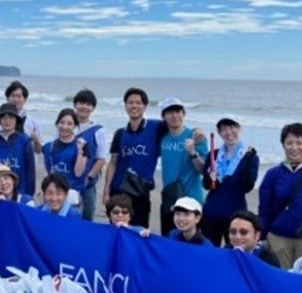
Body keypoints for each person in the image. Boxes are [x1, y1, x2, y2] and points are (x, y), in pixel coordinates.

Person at [259, 122, 302, 267]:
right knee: (279, 280)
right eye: (289, 143)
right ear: (283, 145)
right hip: (278, 237)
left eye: (299, 143)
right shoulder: (273, 174)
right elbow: (264, 209)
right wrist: (262, 236)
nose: (294, 148)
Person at [105, 88, 160, 228]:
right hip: (118, 190)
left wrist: (197, 134)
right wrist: (106, 191)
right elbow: (113, 163)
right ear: (125, 106)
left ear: (145, 106)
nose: (134, 106)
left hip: (140, 192)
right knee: (116, 232)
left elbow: (176, 127)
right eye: (130, 102)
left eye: (138, 102)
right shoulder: (120, 133)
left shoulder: (156, 127)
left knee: (139, 233)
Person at [154, 98, 210, 236]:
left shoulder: (196, 137)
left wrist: (193, 153)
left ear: (183, 114)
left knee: (193, 245)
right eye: (170, 112)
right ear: (164, 117)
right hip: (170, 199)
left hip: (192, 199)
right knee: (169, 241)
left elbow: (203, 170)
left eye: (178, 111)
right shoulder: (162, 138)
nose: (174, 116)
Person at [202, 115, 260, 246]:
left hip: (236, 215)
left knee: (235, 253)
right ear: (219, 133)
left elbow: (247, 187)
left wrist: (247, 160)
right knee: (210, 252)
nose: (228, 132)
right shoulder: (213, 154)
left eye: (232, 127)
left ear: (239, 129)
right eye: (223, 129)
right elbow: (206, 185)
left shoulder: (250, 156)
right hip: (212, 212)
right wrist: (210, 178)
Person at [41, 108, 98, 215]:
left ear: (75, 126)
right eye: (62, 123)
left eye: (69, 124)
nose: (65, 127)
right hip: (54, 195)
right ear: (57, 124)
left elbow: (78, 173)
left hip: (72, 195)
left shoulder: (82, 146)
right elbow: (49, 173)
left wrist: (81, 152)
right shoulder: (49, 147)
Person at [0, 103, 34, 198]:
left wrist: (28, 195)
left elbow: (30, 172)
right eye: (4, 118)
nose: (7, 121)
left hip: (19, 194)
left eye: (11, 118)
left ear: (16, 120)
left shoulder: (25, 141)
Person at [70, 88, 108, 221]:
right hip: (67, 182)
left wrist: (89, 177)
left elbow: (102, 158)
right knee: (67, 217)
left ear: (93, 108)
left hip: (87, 185)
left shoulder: (98, 130)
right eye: (81, 103)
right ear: (75, 105)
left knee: (87, 219)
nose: (84, 107)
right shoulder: (66, 126)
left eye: (88, 104)